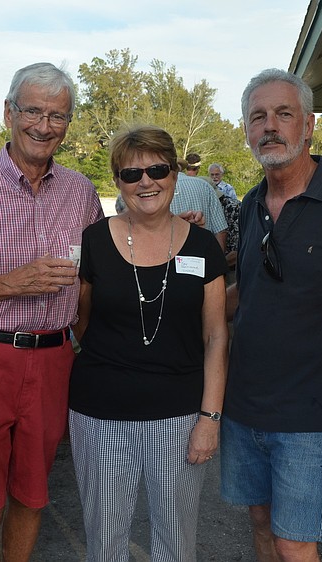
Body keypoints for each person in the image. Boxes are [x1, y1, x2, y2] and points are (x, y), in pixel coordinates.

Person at [0, 62, 104, 562]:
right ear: (9, 112)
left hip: (53, 361)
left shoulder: (81, 192)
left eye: (57, 116)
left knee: (31, 497)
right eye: (32, 111)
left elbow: (103, 271)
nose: (43, 126)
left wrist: (166, 226)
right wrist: (14, 283)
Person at [221, 68, 322, 562]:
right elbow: (245, 292)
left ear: (309, 125)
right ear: (248, 129)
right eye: (258, 117)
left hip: (310, 411)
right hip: (244, 404)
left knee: (295, 541)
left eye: (284, 114)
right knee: (259, 521)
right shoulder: (250, 205)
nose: (270, 126)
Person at [69, 125, 228, 562]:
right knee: (105, 538)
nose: (146, 182)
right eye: (131, 173)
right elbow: (83, 322)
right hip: (100, 413)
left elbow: (216, 336)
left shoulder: (200, 245)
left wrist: (210, 417)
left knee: (176, 541)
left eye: (157, 169)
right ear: (117, 182)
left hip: (178, 417)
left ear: (175, 174)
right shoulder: (94, 241)